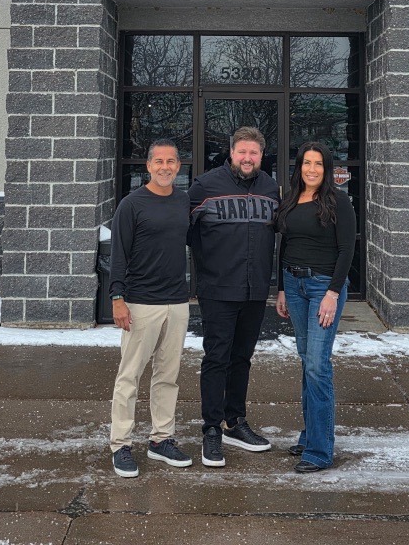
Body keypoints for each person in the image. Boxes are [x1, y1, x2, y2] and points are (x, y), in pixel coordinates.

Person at [189, 126, 280, 467]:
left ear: (261, 155)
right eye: (242, 151)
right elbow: (182, 231)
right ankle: (212, 429)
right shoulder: (204, 186)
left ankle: (234, 421)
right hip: (217, 290)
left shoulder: (271, 188)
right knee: (217, 359)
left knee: (242, 358)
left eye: (253, 152)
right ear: (231, 152)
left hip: (255, 290)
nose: (247, 157)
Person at [108, 139, 192, 478]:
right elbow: (118, 254)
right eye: (159, 161)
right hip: (141, 303)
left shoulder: (183, 201)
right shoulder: (131, 204)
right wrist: (117, 298)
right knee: (129, 377)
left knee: (168, 376)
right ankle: (120, 444)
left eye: (171, 161)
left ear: (178, 166)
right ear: (148, 166)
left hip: (177, 302)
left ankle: (161, 439)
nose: (165, 167)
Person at [275, 141, 356, 473]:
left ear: (327, 168)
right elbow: (285, 244)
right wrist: (281, 289)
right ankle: (310, 436)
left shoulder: (339, 201)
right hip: (293, 285)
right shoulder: (292, 199)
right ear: (299, 167)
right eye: (306, 163)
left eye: (318, 164)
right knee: (307, 360)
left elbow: (347, 250)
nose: (312, 169)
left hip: (323, 287)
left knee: (317, 366)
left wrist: (333, 293)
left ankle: (321, 451)